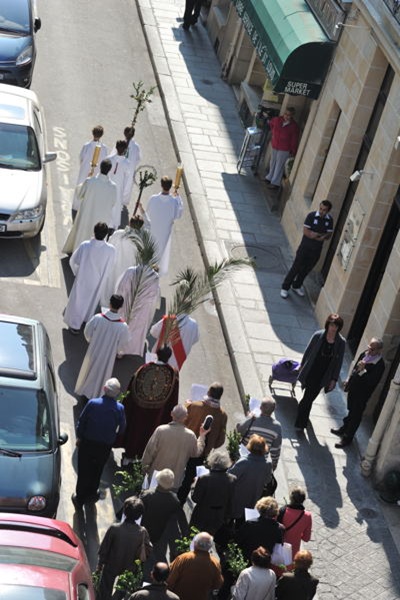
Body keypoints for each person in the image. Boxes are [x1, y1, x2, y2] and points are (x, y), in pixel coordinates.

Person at [72, 378, 126, 509]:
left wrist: (79, 437)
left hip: (87, 443)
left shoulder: (92, 403)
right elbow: (122, 428)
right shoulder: (119, 408)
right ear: (117, 393)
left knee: (84, 470)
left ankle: (80, 498)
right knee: (97, 470)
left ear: (104, 389)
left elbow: (81, 422)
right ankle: (91, 493)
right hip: (104, 447)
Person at [120, 347, 180, 461]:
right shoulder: (173, 374)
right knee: (150, 434)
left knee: (135, 431)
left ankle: (128, 457)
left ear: (156, 355)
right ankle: (143, 458)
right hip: (158, 413)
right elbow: (173, 398)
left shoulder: (144, 368)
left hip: (139, 409)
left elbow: (132, 388)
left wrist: (128, 406)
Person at [178, 382, 228, 504]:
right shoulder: (222, 415)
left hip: (184, 446)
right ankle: (180, 500)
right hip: (201, 453)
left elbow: (179, 422)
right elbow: (220, 441)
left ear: (208, 392)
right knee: (189, 477)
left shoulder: (193, 406)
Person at [331, 337, 385, 448]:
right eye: (369, 347)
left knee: (356, 415)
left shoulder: (379, 365)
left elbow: (371, 381)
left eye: (373, 349)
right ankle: (344, 428)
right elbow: (355, 368)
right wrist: (349, 379)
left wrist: (363, 370)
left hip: (362, 394)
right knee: (351, 410)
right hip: (353, 388)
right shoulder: (364, 354)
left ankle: (347, 438)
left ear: (379, 351)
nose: (369, 351)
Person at [295, 313, 345, 430]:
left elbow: (339, 363)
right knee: (308, 398)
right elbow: (308, 352)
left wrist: (334, 379)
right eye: (332, 325)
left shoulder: (341, 342)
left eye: (336, 326)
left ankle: (301, 420)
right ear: (328, 324)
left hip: (323, 375)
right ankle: (301, 423)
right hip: (312, 370)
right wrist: (302, 366)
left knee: (309, 398)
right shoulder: (318, 335)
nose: (333, 328)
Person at [63, 222, 115, 335]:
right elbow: (110, 267)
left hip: (83, 278)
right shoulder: (111, 250)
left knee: (78, 301)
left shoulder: (85, 245)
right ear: (106, 234)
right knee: (90, 302)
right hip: (98, 281)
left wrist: (78, 273)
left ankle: (74, 325)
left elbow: (74, 261)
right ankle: (86, 321)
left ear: (94, 231)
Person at [74, 295, 130, 400]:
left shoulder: (98, 318)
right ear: (120, 307)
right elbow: (124, 342)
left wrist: (92, 341)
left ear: (110, 303)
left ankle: (85, 391)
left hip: (94, 350)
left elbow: (87, 331)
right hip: (108, 356)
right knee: (102, 374)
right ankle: (97, 394)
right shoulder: (123, 326)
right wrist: (117, 350)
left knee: (89, 370)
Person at [97, 496, 152, 600]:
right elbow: (148, 549)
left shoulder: (114, 528)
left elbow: (104, 549)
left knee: (105, 590)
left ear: (124, 512)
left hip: (111, 565)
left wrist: (100, 565)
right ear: (140, 515)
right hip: (130, 568)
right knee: (121, 590)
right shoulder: (142, 532)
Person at [141, 405, 207, 490]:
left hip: (155, 477)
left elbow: (149, 453)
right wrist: (201, 437)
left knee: (149, 499)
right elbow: (196, 453)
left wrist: (144, 470)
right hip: (175, 480)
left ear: (171, 414)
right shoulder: (190, 436)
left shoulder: (161, 430)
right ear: (185, 417)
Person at [281, 200, 333, 298]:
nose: (322, 211)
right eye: (321, 209)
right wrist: (317, 236)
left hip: (316, 250)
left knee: (306, 269)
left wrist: (320, 235)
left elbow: (329, 234)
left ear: (328, 211)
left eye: (324, 210)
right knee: (296, 267)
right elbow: (306, 232)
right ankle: (285, 287)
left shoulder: (329, 220)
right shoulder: (311, 216)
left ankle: (296, 286)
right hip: (305, 247)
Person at [63, 159, 118, 254]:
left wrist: (87, 179)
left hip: (87, 216)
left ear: (100, 167)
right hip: (101, 218)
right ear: (109, 170)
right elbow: (113, 203)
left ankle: (78, 252)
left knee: (82, 234)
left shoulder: (90, 181)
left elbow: (79, 194)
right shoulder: (113, 187)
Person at [141, 470, 189, 572]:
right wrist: (186, 537)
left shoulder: (147, 495)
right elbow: (182, 520)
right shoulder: (174, 500)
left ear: (157, 480)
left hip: (144, 530)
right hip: (160, 533)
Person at [101, 213, 150, 307]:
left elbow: (109, 244)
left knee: (109, 286)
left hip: (114, 266)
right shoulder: (141, 241)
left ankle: (105, 305)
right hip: (127, 270)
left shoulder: (118, 233)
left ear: (129, 223)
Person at [116, 261, 160, 356]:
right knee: (132, 329)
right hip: (141, 310)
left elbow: (121, 287)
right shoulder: (154, 279)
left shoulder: (131, 270)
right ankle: (122, 350)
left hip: (127, 303)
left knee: (122, 324)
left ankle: (117, 346)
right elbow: (153, 299)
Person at [190, 449, 236, 537]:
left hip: (201, 514)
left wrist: (193, 485)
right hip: (218, 516)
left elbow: (195, 498)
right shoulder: (232, 479)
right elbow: (231, 500)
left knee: (193, 537)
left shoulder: (204, 479)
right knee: (208, 539)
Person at [228, 436, 273, 526]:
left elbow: (229, 476)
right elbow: (268, 480)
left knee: (230, 521)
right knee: (243, 524)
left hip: (237, 499)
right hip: (254, 500)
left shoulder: (244, 461)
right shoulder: (267, 464)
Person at [167, 532, 223, 600]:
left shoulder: (184, 558)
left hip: (178, 596)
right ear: (209, 547)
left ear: (195, 543)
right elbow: (218, 584)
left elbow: (170, 579)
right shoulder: (215, 564)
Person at [146, 176, 183, 276]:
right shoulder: (174, 202)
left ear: (161, 185)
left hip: (152, 231)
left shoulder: (153, 199)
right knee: (160, 255)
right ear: (170, 187)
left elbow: (147, 213)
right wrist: (178, 198)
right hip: (164, 234)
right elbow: (179, 214)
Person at [236, 396, 282, 470]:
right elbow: (276, 449)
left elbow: (239, 430)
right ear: (273, 411)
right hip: (261, 462)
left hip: (243, 456)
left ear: (260, 407)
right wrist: (274, 465)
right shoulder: (277, 427)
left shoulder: (252, 419)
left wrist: (248, 418)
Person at [72, 125, 108, 212]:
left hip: (85, 171)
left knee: (81, 187)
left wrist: (84, 165)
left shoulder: (87, 146)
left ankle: (77, 206)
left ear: (92, 134)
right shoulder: (104, 148)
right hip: (96, 172)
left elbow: (81, 157)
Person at [235, 496, 284, 561]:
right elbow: (278, 547)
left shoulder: (250, 523)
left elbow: (237, 539)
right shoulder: (279, 528)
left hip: (246, 559)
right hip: (264, 561)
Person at [265, 107, 299, 190]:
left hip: (284, 148)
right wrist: (273, 135)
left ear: (292, 116)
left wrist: (292, 150)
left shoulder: (294, 126)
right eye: (286, 114)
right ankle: (269, 177)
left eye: (289, 115)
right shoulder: (277, 120)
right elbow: (271, 124)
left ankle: (275, 182)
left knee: (279, 165)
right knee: (273, 161)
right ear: (284, 113)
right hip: (275, 145)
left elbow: (294, 139)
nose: (287, 116)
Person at [278, 486, 312, 565]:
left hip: (278, 548)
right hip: (292, 552)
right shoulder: (307, 516)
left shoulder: (282, 511)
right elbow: (306, 538)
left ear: (290, 498)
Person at [107, 140, 132, 215]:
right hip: (119, 187)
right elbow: (127, 178)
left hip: (108, 185)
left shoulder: (109, 159)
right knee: (116, 207)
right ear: (125, 150)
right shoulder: (127, 163)